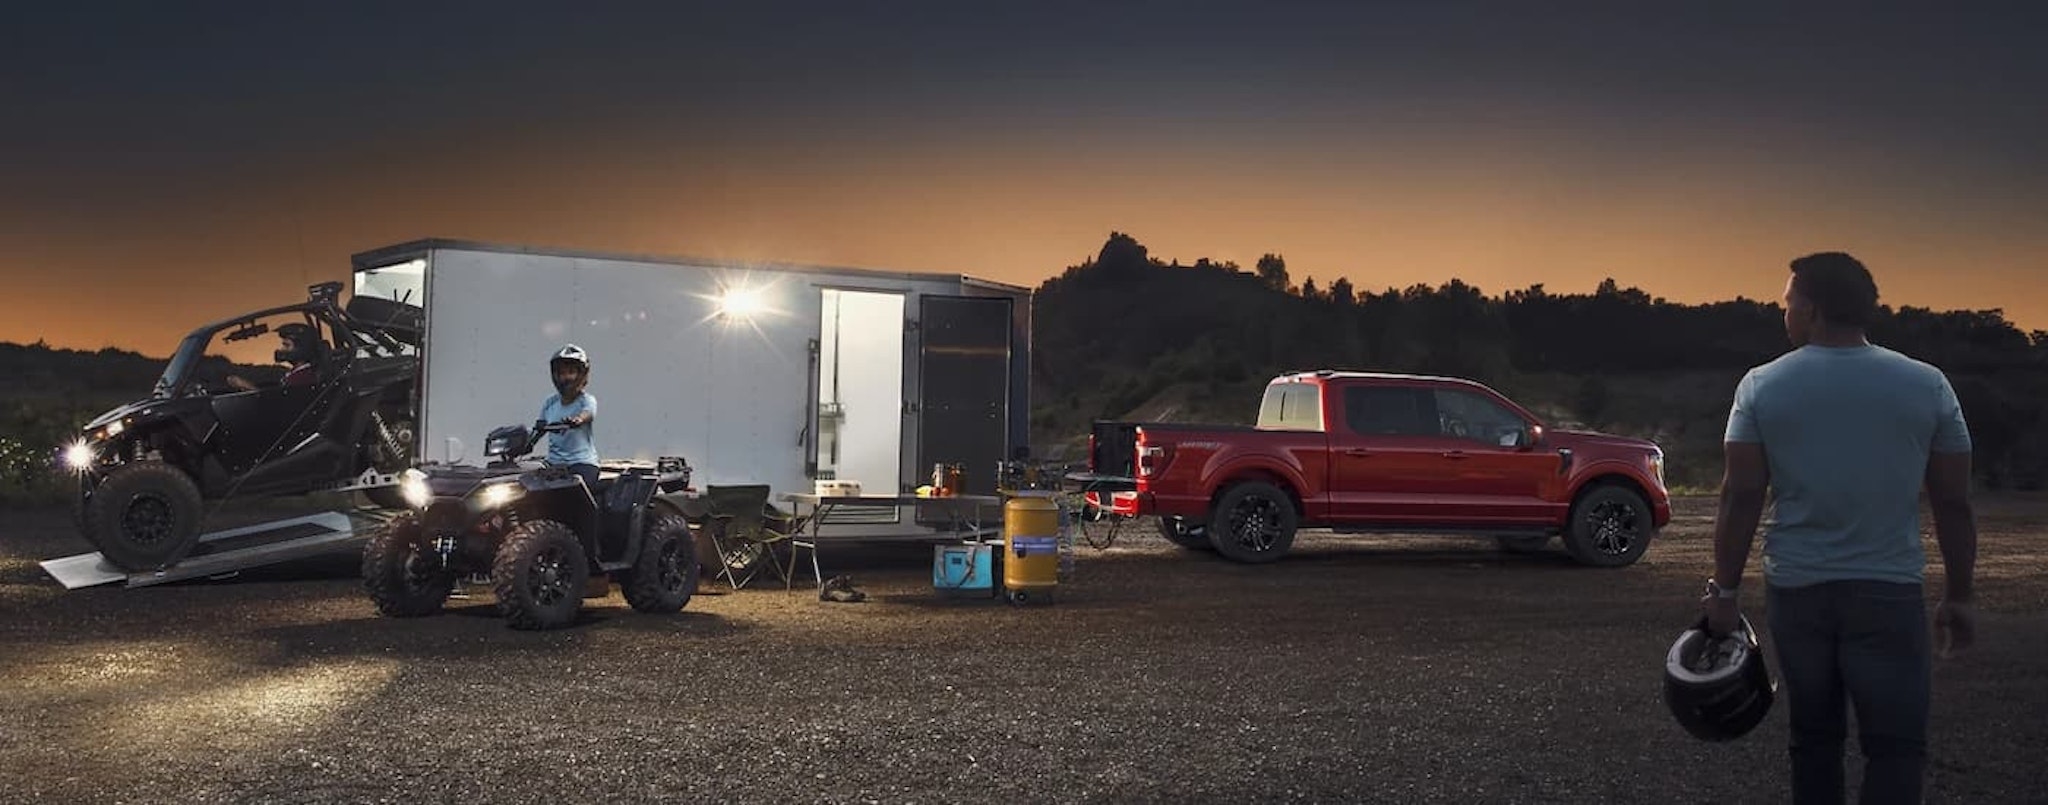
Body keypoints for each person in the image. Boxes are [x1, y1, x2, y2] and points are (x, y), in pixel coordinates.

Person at [1702, 251, 1978, 804]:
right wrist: (1959, 594)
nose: (1783, 312)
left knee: (1814, 741)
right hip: (1888, 593)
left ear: (1812, 309)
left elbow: (1741, 494)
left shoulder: (1761, 386)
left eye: (1788, 302)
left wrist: (1724, 591)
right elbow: (1953, 501)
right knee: (1896, 748)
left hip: (1799, 593)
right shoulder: (1927, 385)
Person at [539, 344, 600, 491]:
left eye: (571, 372)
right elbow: (539, 426)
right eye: (561, 373)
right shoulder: (550, 402)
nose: (565, 377)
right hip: (554, 464)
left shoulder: (586, 400)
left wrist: (578, 419)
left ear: (581, 374)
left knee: (575, 495)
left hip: (582, 463)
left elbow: (588, 413)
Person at [228, 323, 323, 391]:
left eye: (287, 345)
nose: (281, 349)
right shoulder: (296, 374)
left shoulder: (302, 378)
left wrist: (247, 386)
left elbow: (276, 406)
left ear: (301, 349)